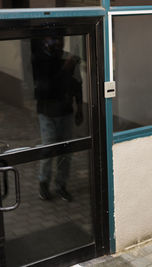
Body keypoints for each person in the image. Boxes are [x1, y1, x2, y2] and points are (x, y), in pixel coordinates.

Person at [32, 36, 83, 202]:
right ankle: (43, 183)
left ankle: (61, 185)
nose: (57, 44)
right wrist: (64, 69)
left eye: (59, 40)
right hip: (47, 112)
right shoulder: (40, 60)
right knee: (48, 148)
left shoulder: (67, 58)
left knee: (66, 150)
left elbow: (77, 85)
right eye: (53, 41)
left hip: (66, 111)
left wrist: (79, 109)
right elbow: (45, 88)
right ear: (46, 41)